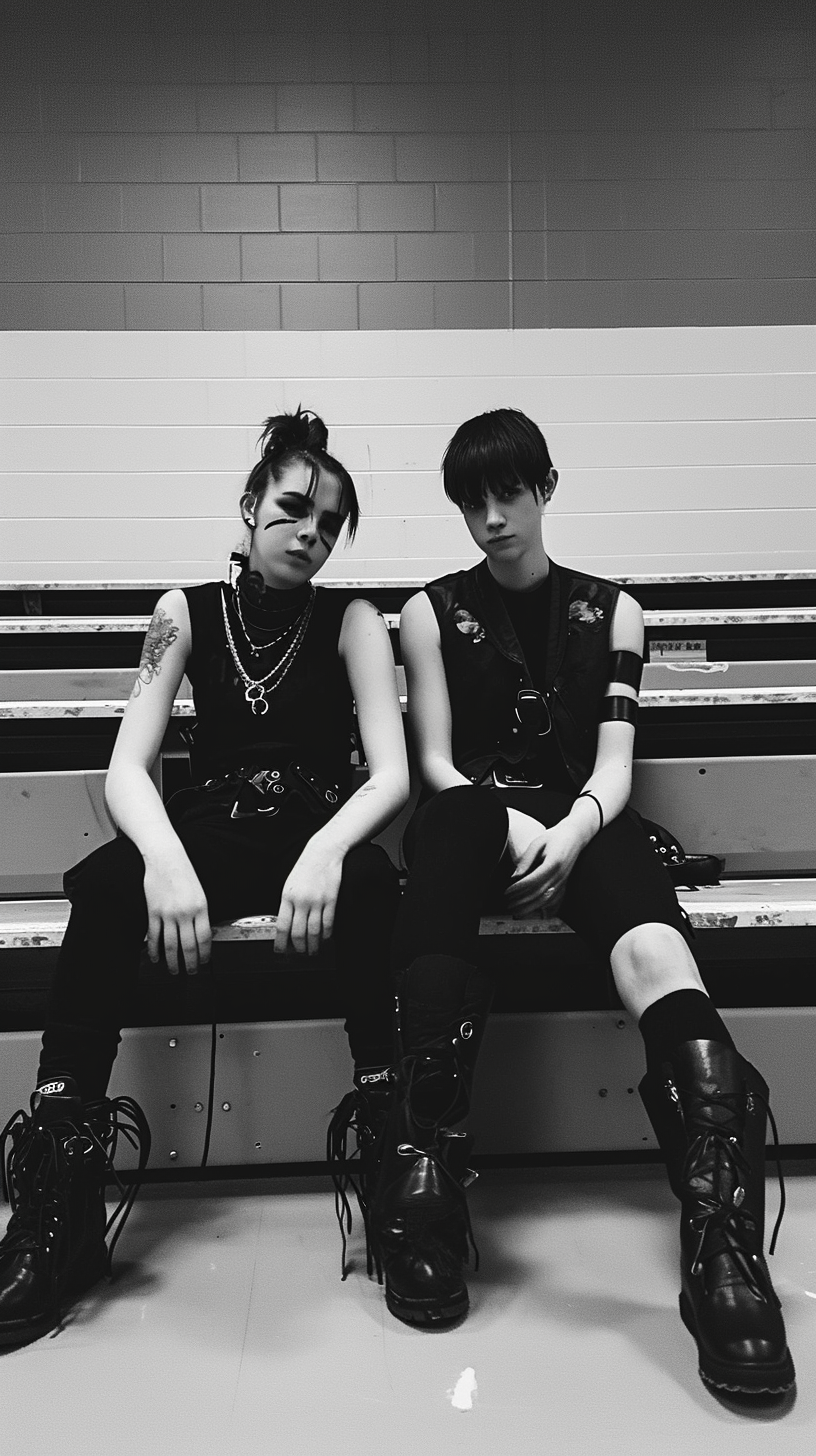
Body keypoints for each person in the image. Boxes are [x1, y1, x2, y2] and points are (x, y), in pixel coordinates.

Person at [371, 408, 794, 1397]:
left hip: (586, 816)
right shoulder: (430, 611)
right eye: (471, 501)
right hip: (473, 813)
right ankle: (425, 1183)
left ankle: (720, 1238)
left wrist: (565, 832)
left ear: (544, 485)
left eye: (506, 493)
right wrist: (511, 822)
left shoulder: (616, 610)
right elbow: (435, 761)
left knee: (656, 947)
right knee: (446, 859)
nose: (490, 517)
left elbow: (614, 763)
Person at [0, 409, 409, 1347]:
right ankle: (58, 1201)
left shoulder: (352, 620)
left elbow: (389, 773)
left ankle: (395, 1153)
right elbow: (125, 769)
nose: (311, 533)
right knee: (105, 889)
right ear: (250, 504)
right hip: (210, 828)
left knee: (382, 888)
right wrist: (168, 865)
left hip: (315, 823)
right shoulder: (184, 610)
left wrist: (327, 851)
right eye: (294, 508)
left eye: (330, 523)